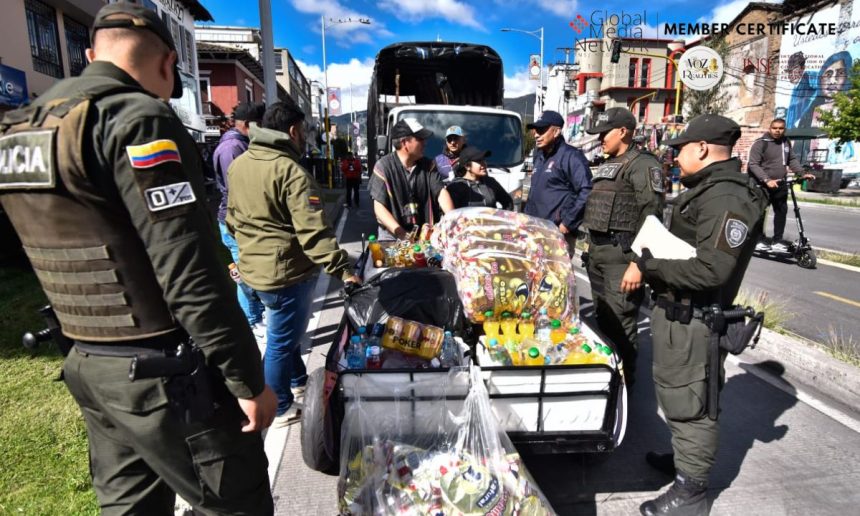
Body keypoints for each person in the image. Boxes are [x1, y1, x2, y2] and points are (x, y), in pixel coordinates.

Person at [0, 3, 276, 513]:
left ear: (89, 55)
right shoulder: (138, 119)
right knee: (236, 500)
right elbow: (191, 274)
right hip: (163, 374)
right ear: (169, 63)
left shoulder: (22, 128)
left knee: (129, 506)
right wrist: (248, 380)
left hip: (87, 361)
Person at [623, 115, 768, 516]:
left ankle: (691, 493)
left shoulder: (726, 197)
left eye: (680, 149)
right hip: (680, 313)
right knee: (677, 396)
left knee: (693, 405)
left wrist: (651, 267)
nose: (675, 156)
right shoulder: (708, 189)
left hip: (697, 318)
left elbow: (712, 270)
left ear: (701, 148)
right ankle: (683, 460)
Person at [226, 99, 361, 426]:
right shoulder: (291, 172)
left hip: (253, 268)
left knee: (286, 334)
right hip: (285, 273)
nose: (304, 138)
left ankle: (298, 383)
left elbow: (231, 220)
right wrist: (344, 270)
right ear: (292, 131)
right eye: (303, 132)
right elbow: (313, 234)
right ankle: (281, 405)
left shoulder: (240, 164)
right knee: (280, 343)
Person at [581, 107, 664, 387]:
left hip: (622, 258)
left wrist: (638, 264)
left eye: (605, 133)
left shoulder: (642, 164)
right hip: (598, 255)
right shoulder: (608, 164)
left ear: (623, 132)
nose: (600, 138)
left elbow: (652, 216)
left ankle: (625, 385)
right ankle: (609, 379)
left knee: (622, 324)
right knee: (604, 321)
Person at [214, 102, 267, 339]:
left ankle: (256, 317)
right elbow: (237, 190)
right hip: (234, 222)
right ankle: (252, 323)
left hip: (242, 221)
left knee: (249, 272)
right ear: (248, 125)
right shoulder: (232, 148)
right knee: (244, 277)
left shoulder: (241, 144)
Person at [369, 118, 454, 239]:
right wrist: (401, 233)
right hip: (392, 235)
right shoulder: (383, 166)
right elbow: (379, 207)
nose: (425, 143)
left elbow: (441, 192)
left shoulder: (429, 165)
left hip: (424, 233)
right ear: (405, 143)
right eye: (420, 139)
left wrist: (453, 220)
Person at [523, 110, 593, 252]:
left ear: (556, 132)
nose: (536, 135)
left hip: (557, 233)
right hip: (535, 230)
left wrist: (567, 223)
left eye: (542, 130)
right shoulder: (539, 156)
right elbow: (534, 193)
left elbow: (586, 190)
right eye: (535, 130)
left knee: (554, 274)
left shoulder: (571, 156)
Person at [747, 118, 809, 252]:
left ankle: (777, 240)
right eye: (775, 128)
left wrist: (802, 173)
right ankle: (758, 239)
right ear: (770, 128)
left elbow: (791, 159)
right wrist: (766, 179)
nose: (777, 131)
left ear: (784, 129)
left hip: (780, 184)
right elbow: (753, 164)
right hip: (762, 184)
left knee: (781, 211)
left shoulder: (786, 142)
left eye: (780, 128)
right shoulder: (761, 143)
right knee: (760, 213)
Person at [445, 146, 514, 210]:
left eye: (484, 160)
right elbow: (452, 213)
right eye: (479, 161)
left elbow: (508, 203)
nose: (484, 164)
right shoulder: (455, 186)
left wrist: (500, 219)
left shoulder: (491, 182)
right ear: (467, 166)